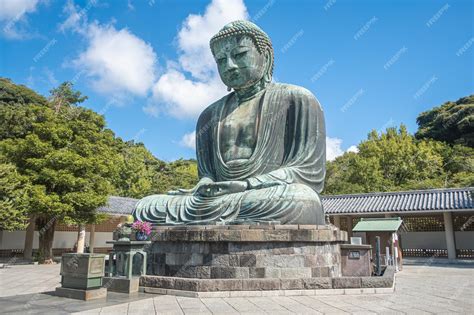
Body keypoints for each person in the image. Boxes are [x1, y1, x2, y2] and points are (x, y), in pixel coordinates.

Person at [133, 20, 326, 225]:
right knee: (146, 206)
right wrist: (205, 184)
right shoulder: (209, 115)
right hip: (220, 199)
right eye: (221, 60)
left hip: (267, 194)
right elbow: (208, 174)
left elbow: (308, 172)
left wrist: (247, 185)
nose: (229, 66)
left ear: (266, 57)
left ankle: (223, 216)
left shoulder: (297, 99)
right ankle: (227, 217)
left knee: (302, 200)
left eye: (239, 55)